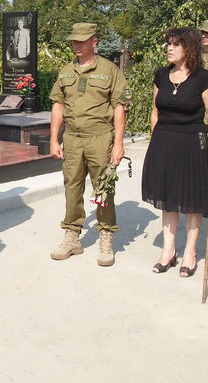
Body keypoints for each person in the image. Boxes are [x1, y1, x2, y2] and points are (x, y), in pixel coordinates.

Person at [49, 22, 130, 267]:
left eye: (82, 41)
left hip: (100, 137)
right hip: (72, 137)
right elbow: (58, 105)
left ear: (94, 41)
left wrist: (118, 144)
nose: (76, 45)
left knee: (103, 187)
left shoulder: (109, 70)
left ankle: (106, 235)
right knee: (72, 187)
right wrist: (54, 138)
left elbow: (119, 107)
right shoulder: (66, 71)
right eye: (74, 41)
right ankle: (72, 236)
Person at [142, 27, 208, 277]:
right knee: (168, 198)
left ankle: (190, 253)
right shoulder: (161, 74)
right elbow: (155, 110)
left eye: (175, 45)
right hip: (164, 141)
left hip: (193, 142)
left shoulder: (203, 77)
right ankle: (168, 251)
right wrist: (156, 138)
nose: (169, 49)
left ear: (189, 48)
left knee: (192, 201)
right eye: (167, 44)